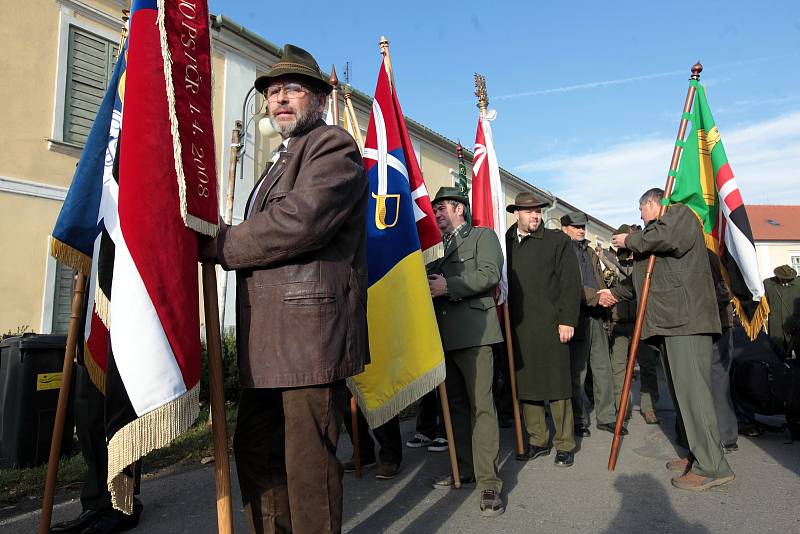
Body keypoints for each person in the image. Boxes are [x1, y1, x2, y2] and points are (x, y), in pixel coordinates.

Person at [200, 44, 369, 533]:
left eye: (292, 89)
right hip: (267, 341)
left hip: (308, 338)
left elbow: (300, 221)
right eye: (273, 92)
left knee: (307, 466)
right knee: (256, 450)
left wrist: (221, 243)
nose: (280, 100)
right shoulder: (277, 161)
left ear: (317, 97)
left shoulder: (331, 147)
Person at [604, 187, 734, 491]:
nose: (639, 217)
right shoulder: (658, 237)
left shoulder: (678, 215)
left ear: (653, 203)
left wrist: (630, 240)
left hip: (686, 323)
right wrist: (611, 294)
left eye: (641, 209)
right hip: (672, 325)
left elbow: (663, 238)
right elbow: (641, 280)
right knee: (683, 397)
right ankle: (697, 454)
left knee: (695, 396)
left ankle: (713, 466)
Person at [426, 186, 505, 517]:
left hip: (475, 333)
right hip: (444, 337)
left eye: (442, 207)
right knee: (456, 407)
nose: (438, 213)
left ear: (459, 208)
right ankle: (465, 467)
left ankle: (489, 482)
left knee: (481, 406)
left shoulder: (482, 236)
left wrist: (448, 286)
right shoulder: (434, 247)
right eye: (436, 208)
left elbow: (489, 274)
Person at [505, 192, 582, 467]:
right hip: (519, 326)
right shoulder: (506, 243)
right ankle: (538, 438)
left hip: (553, 324)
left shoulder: (557, 241)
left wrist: (568, 320)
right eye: (528, 212)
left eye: (537, 211)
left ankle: (564, 443)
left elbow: (570, 284)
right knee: (528, 385)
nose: (535, 215)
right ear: (517, 214)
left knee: (558, 384)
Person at [49, 366, 143, 534]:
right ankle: (97, 502)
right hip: (89, 343)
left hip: (122, 343)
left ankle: (122, 504)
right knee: (87, 411)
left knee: (119, 411)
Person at [562, 211, 621, 436]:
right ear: (565, 228)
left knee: (602, 368)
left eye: (582, 227)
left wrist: (604, 297)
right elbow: (569, 285)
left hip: (595, 315)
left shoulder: (589, 251)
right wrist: (598, 296)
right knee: (578, 371)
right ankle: (578, 420)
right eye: (575, 226)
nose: (580, 230)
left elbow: (597, 279)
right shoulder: (562, 249)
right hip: (574, 315)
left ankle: (606, 416)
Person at [603, 225, 661, 425]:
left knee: (647, 366)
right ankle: (622, 407)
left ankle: (649, 406)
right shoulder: (609, 263)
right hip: (618, 323)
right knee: (618, 367)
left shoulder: (644, 261)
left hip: (642, 322)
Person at [764, 265, 800, 358]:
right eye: (783, 278)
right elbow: (762, 304)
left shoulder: (799, 283)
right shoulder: (768, 284)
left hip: (796, 327)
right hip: (776, 328)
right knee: (778, 356)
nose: (785, 281)